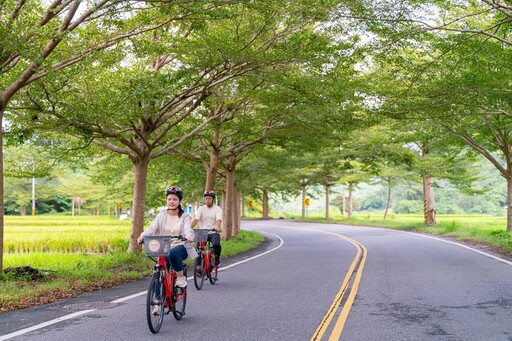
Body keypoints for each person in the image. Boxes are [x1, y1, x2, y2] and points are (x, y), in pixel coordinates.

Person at [137, 186, 196, 314]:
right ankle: (158, 303)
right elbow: (152, 228)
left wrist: (189, 236)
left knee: (173, 254)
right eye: (169, 199)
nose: (171, 201)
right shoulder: (161, 215)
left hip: (181, 245)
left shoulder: (184, 216)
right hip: (163, 246)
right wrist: (143, 235)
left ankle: (180, 279)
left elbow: (187, 228)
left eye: (175, 199)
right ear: (166, 200)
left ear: (179, 201)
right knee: (158, 270)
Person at [191, 190, 222, 266]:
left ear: (213, 199)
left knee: (216, 244)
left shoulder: (217, 209)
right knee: (199, 249)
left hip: (213, 232)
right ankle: (198, 268)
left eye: (209, 198)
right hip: (202, 232)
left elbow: (218, 219)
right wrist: (189, 228)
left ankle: (217, 257)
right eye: (206, 198)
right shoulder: (201, 209)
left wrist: (218, 227)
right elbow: (196, 219)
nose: (207, 200)